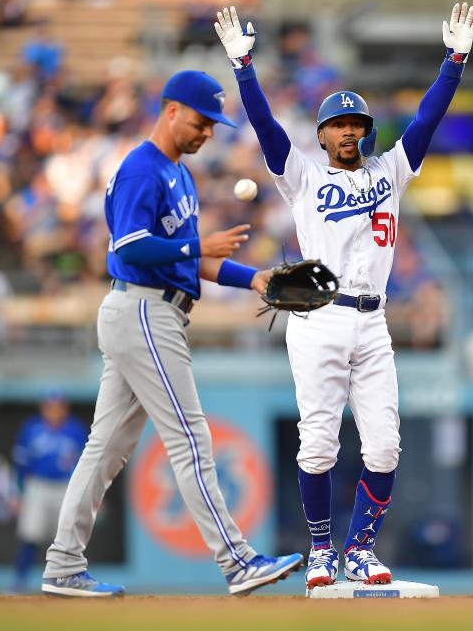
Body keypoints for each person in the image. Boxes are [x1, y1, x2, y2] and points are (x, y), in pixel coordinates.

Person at [215, 2, 473, 588]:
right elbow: (263, 126)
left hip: (374, 321)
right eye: (338, 124)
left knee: (385, 445)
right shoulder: (302, 175)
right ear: (323, 134)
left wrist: (453, 63)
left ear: (366, 131)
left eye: (356, 124)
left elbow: (428, 121)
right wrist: (244, 68)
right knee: (318, 445)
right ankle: (319, 552)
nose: (348, 131)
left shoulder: (390, 171)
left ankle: (359, 549)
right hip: (317, 318)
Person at [41, 69, 303, 598]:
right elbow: (129, 248)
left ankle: (63, 564)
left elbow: (191, 261)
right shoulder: (142, 170)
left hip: (148, 309)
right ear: (171, 110)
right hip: (143, 311)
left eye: (214, 125)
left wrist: (251, 277)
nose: (208, 132)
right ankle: (237, 561)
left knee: (105, 448)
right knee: (189, 438)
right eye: (202, 121)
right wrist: (197, 247)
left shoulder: (178, 175)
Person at [12, 389, 88, 593]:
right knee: (30, 534)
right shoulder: (32, 429)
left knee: (69, 538)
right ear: (43, 408)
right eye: (50, 406)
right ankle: (20, 582)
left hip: (66, 488)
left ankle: (71, 580)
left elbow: (86, 466)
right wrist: (19, 493)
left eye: (58, 406)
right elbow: (21, 465)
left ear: (65, 408)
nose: (54, 410)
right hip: (38, 486)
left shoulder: (76, 430)